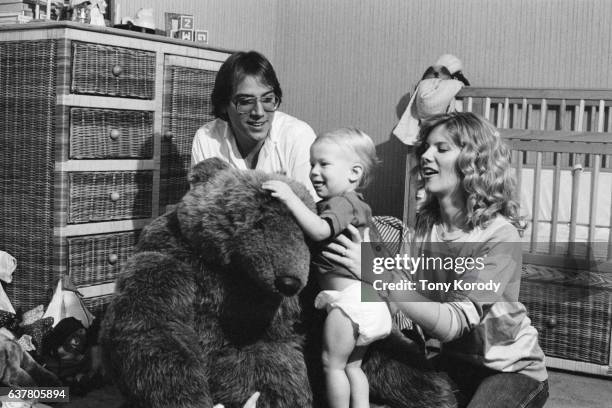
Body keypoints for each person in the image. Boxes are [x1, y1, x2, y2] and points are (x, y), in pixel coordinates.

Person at [323, 112, 549, 408]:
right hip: (454, 361)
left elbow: (452, 324)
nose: (426, 156)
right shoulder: (428, 225)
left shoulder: (499, 236)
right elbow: (397, 286)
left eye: (441, 149)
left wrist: (375, 272)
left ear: (473, 160)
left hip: (511, 370)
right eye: (426, 148)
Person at [262, 128, 392, 408]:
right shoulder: (358, 206)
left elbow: (320, 230)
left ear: (354, 173)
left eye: (324, 164)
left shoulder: (343, 202)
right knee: (353, 368)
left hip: (350, 302)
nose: (314, 171)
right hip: (369, 300)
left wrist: (289, 197)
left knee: (332, 365)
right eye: (311, 164)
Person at [191, 50, 317, 200]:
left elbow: (312, 210)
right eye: (245, 102)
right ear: (224, 104)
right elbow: (202, 209)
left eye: (267, 99)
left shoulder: (298, 136)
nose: (259, 112)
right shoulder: (207, 138)